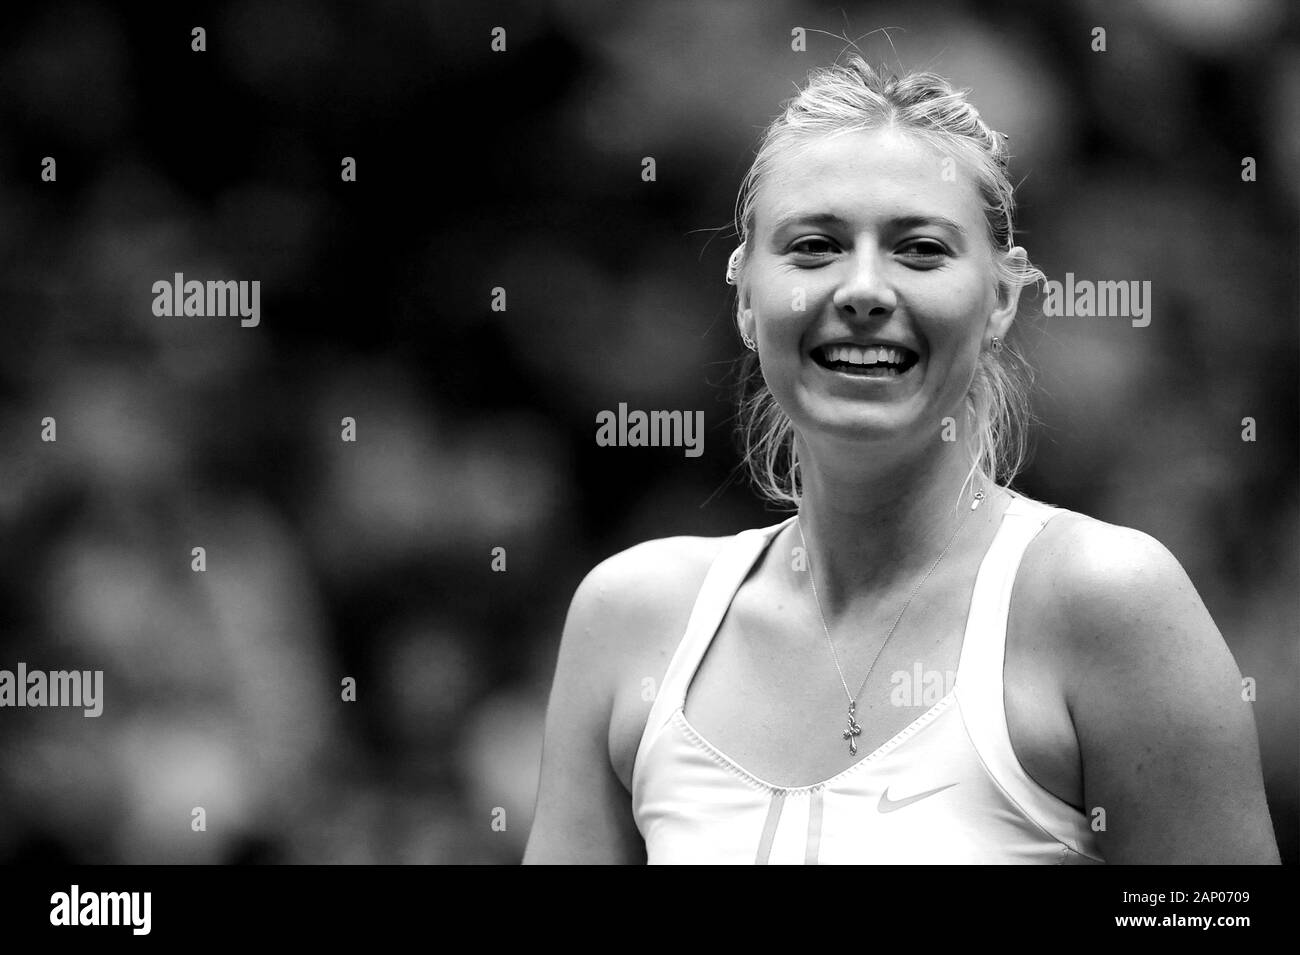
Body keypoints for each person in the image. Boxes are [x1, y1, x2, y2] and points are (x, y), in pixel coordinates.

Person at [522, 57, 1280, 864]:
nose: (864, 289)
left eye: (920, 249)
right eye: (814, 245)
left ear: (1001, 299)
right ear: (745, 293)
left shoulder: (1106, 600)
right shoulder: (631, 617)